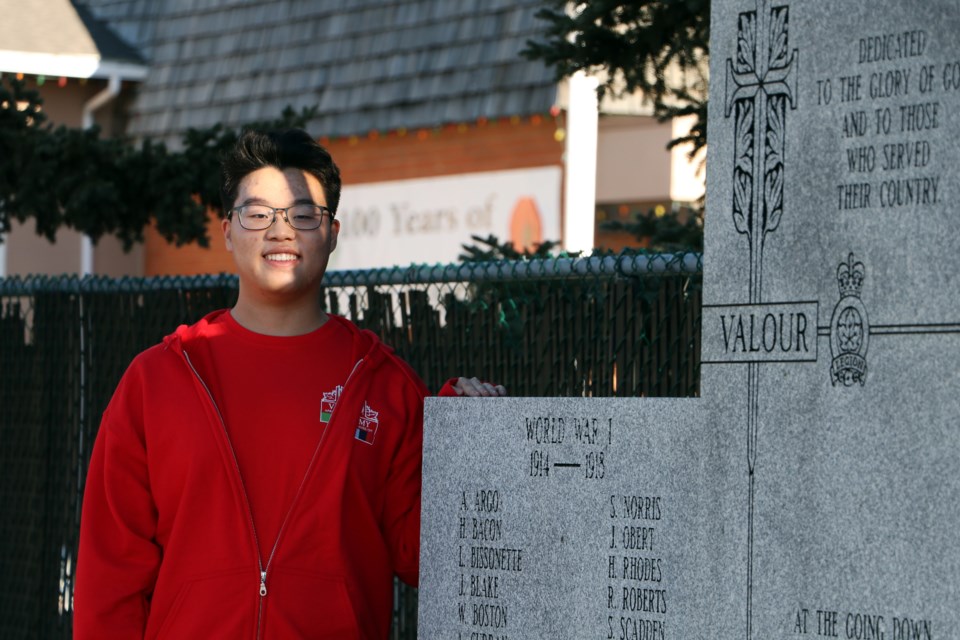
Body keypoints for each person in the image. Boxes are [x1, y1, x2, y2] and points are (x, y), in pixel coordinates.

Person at [74, 128, 506, 639]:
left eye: (303, 215)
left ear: (333, 232)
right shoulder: (157, 380)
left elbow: (429, 559)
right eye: (257, 215)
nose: (281, 232)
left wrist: (472, 443)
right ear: (228, 230)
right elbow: (110, 580)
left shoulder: (384, 385)